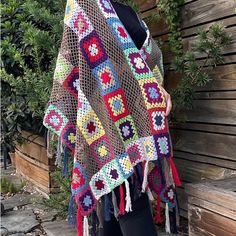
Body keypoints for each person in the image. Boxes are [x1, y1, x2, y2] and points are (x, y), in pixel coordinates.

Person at [43, 0, 181, 236]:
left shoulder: (129, 11)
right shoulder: (84, 5)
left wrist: (158, 89)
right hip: (106, 123)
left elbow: (143, 64)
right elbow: (83, 64)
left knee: (119, 207)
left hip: (140, 126)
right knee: (129, 200)